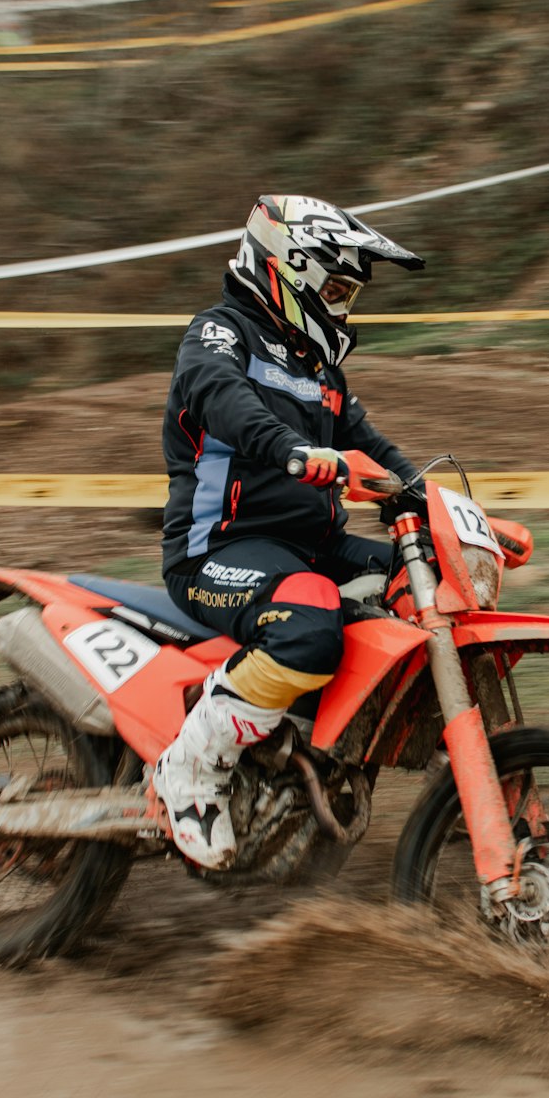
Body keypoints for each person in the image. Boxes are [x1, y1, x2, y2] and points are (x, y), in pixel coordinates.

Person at [154, 193, 424, 869]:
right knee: (308, 622)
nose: (342, 305)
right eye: (334, 288)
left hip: (309, 548)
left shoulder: (319, 369)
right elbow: (218, 393)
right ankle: (191, 771)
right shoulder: (221, 333)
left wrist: (439, 505)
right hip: (218, 549)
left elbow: (377, 449)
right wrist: (292, 450)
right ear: (288, 269)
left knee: (420, 589)